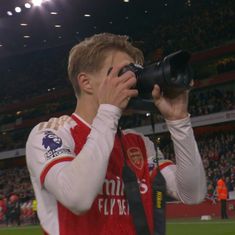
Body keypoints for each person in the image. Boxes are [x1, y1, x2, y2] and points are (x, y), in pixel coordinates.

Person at [26, 33, 206, 235]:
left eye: (135, 73)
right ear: (86, 82)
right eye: (122, 73)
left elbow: (193, 194)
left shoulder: (139, 144)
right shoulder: (50, 136)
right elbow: (78, 198)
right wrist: (108, 112)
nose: (131, 82)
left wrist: (179, 121)